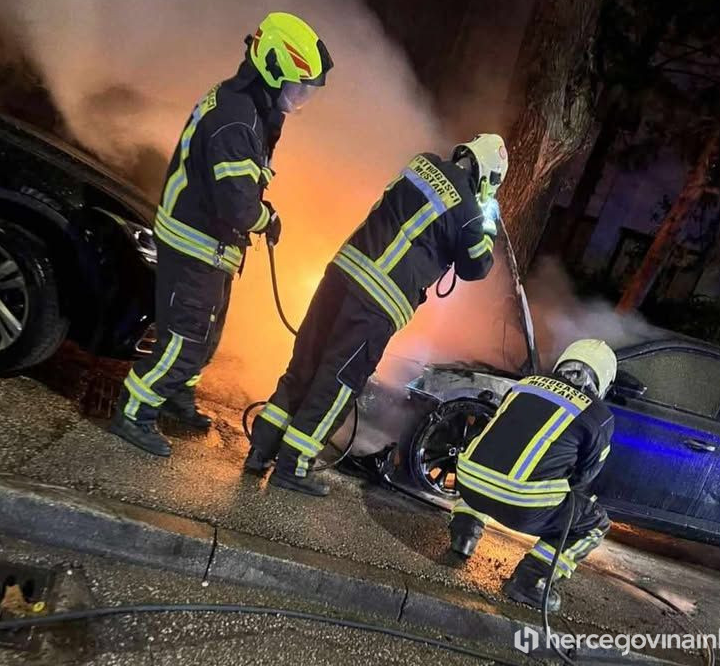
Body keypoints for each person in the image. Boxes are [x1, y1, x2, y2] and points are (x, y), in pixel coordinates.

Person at [111, 12, 333, 457]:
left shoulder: (248, 105)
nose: (301, 98)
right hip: (197, 244)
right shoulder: (238, 120)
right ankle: (134, 411)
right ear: (272, 70)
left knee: (205, 337)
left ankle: (176, 397)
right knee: (186, 338)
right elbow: (237, 205)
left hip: (208, 244)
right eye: (298, 86)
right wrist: (265, 218)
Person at [247, 134, 509, 496]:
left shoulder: (422, 163)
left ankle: (260, 449)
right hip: (376, 300)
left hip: (340, 275)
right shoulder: (468, 210)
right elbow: (476, 266)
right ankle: (293, 465)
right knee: (337, 382)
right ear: (488, 178)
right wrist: (487, 219)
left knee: (304, 365)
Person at [448, 339, 617, 612]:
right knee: (595, 523)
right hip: (523, 506)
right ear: (604, 379)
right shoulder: (599, 415)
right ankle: (530, 581)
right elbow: (584, 476)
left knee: (494, 463)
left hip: (468, 482)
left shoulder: (526, 383)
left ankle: (464, 535)